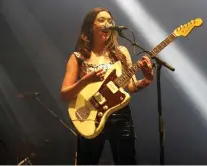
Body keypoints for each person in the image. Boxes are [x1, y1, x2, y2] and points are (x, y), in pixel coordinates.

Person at [61, 7, 154, 165]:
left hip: (120, 117)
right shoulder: (78, 57)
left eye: (110, 21)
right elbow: (65, 94)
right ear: (91, 26)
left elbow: (131, 87)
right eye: (101, 20)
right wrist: (85, 81)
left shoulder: (121, 53)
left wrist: (147, 79)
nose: (107, 24)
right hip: (89, 117)